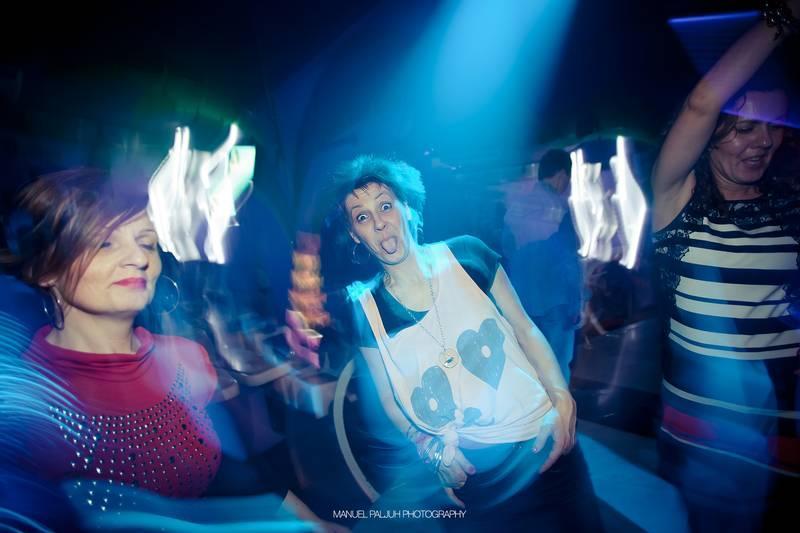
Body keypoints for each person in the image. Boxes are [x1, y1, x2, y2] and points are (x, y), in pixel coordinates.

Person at [2, 167, 344, 531]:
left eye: (146, 242)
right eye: (105, 243)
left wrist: (315, 524)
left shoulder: (185, 360)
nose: (139, 259)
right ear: (45, 269)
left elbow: (231, 476)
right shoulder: (23, 398)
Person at [292, 155, 600, 531]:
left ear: (408, 208)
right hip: (473, 476)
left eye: (385, 206)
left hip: (544, 446)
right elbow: (390, 399)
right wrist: (429, 449)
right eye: (362, 217)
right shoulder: (366, 310)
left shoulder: (467, 255)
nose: (378, 222)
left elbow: (525, 328)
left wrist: (561, 395)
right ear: (355, 235)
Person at [651, 2, 800, 530]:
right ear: (712, 134)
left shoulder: (789, 206)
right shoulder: (678, 201)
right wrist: (783, 16)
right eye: (743, 127)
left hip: (785, 423)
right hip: (706, 428)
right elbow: (702, 103)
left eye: (773, 127)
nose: (762, 142)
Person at [503, 149, 583, 382]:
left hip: (523, 303)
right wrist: (577, 302)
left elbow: (505, 251)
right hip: (556, 303)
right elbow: (569, 260)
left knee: (530, 368)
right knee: (557, 368)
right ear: (561, 175)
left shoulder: (514, 209)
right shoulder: (561, 210)